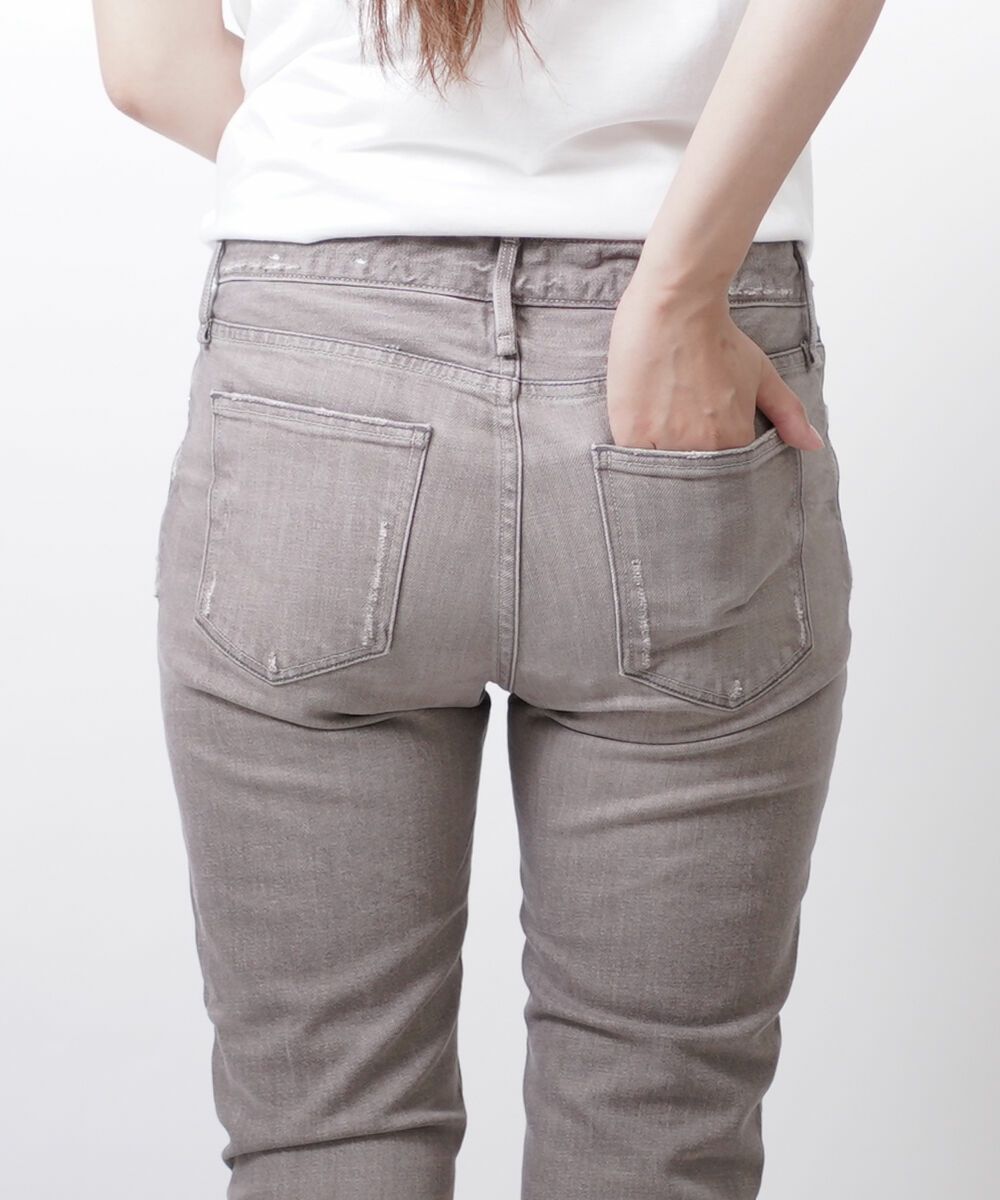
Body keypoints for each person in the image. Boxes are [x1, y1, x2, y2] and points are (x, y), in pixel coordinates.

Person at [93, 1, 882, 1197]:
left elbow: (148, 68)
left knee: (325, 1126)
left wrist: (361, 178)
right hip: (675, 360)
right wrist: (677, 292)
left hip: (315, 371)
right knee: (656, 1121)